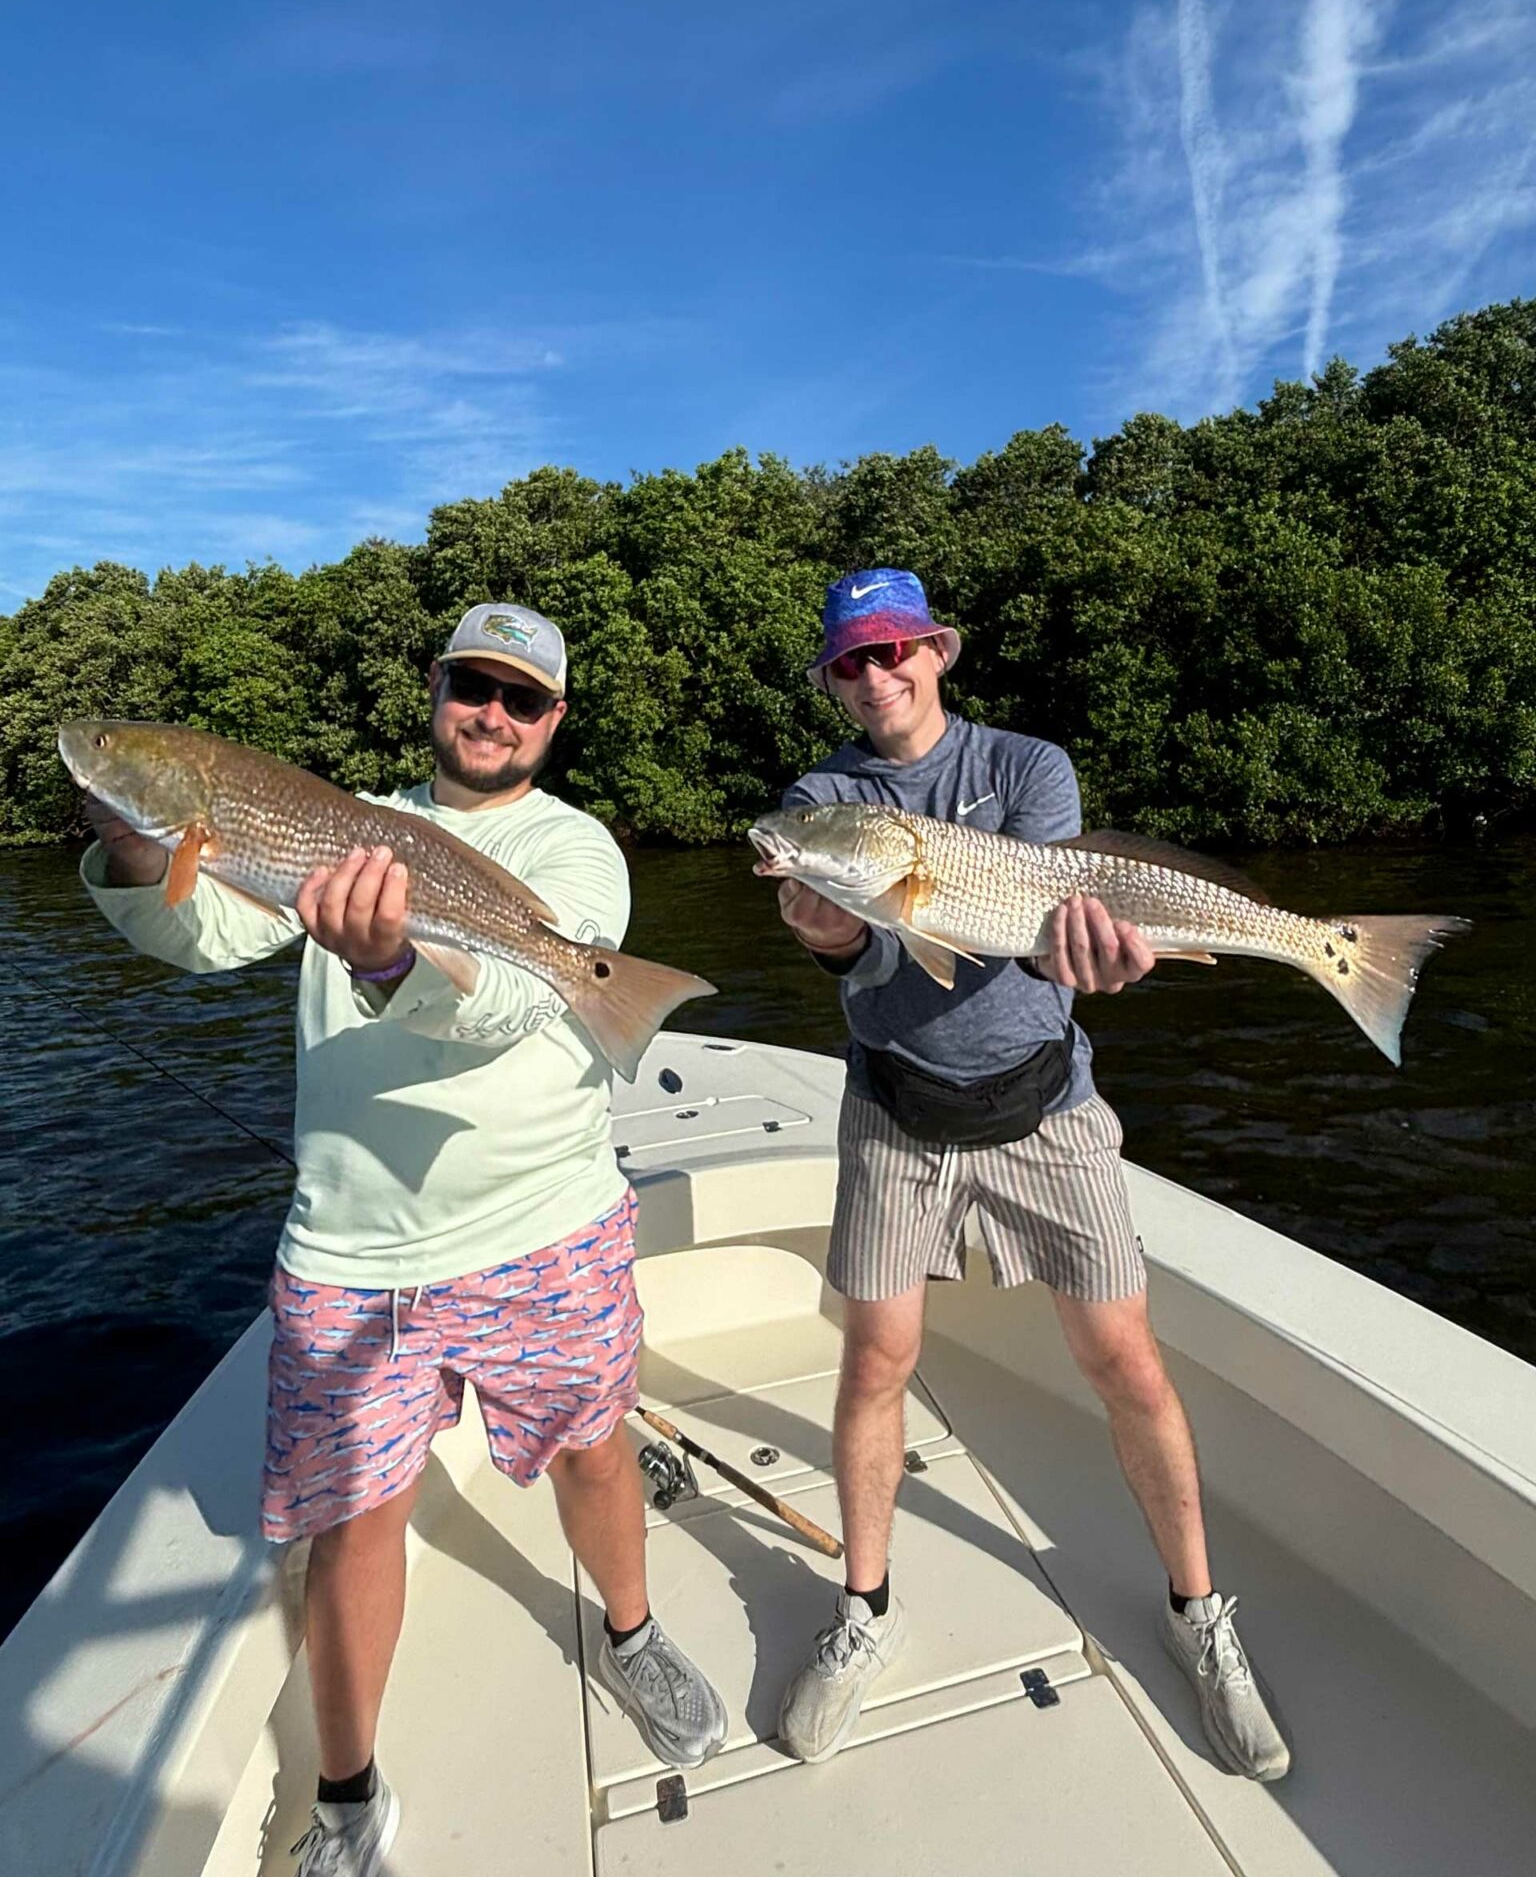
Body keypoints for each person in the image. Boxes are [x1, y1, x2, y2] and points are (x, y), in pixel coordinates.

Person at [80, 602, 727, 1877]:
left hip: (547, 1229)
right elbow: (204, 933)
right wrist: (126, 841)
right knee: (355, 1519)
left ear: (551, 719)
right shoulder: (332, 821)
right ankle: (346, 1793)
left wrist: (389, 966)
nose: (491, 712)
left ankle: (632, 1628)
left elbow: (508, 1012)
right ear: (433, 688)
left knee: (597, 1456)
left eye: (521, 697)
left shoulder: (575, 847)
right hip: (351, 1251)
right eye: (471, 684)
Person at [764, 568, 1290, 1783]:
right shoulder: (824, 798)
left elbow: (1065, 917)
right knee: (875, 1359)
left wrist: (1101, 952)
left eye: (897, 648)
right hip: (896, 1109)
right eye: (851, 660)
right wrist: (825, 918)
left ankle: (1199, 1617)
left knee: (1125, 1360)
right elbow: (839, 928)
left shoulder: (1026, 766)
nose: (877, 673)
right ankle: (865, 1612)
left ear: (940, 650)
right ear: (831, 680)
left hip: (1047, 1103)